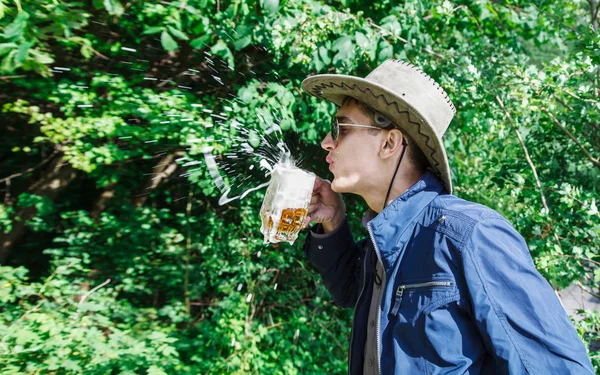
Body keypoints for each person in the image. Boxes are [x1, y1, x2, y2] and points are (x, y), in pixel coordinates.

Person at [300, 59, 594, 374]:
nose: (327, 142)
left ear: (390, 143)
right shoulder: (385, 239)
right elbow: (351, 290)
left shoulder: (470, 234)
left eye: (341, 128)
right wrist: (331, 221)